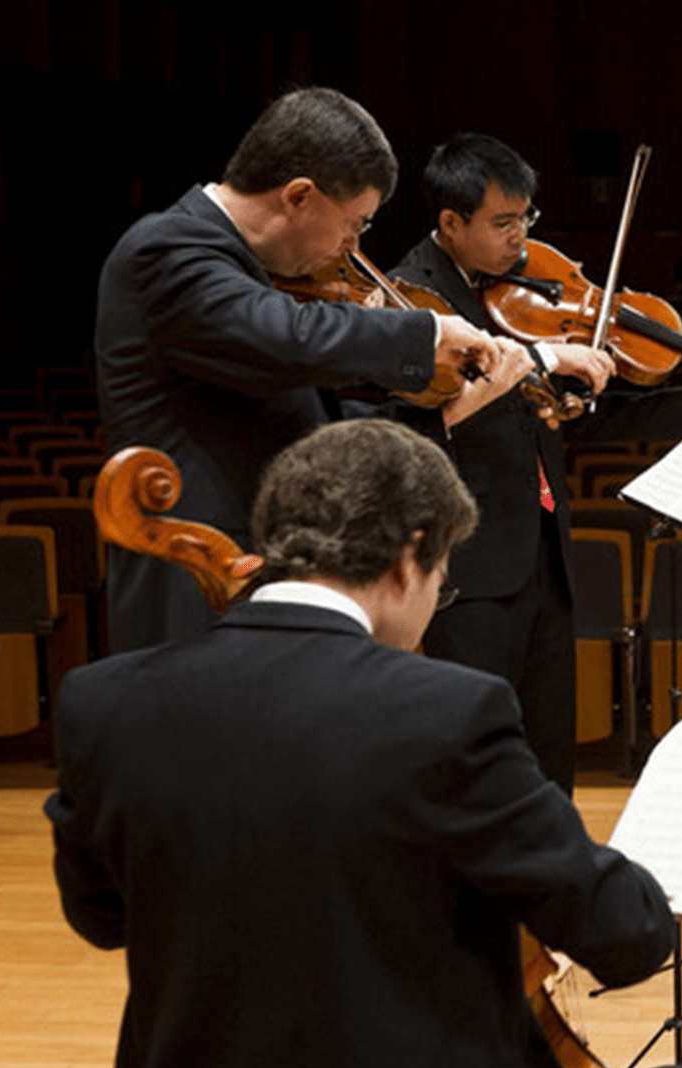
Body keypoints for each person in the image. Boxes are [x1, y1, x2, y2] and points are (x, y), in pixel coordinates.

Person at [45, 419, 682, 1068]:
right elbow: (628, 937)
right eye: (443, 573)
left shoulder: (102, 701)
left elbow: (100, 917)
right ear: (410, 558)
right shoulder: (449, 711)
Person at [92, 87, 609, 653]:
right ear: (298, 196)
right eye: (355, 223)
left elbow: (313, 428)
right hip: (194, 592)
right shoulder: (168, 250)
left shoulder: (252, 274)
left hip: (263, 583)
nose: (353, 245)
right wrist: (430, 331)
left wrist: (448, 413)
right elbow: (285, 337)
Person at [384, 133, 682, 793]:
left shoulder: (529, 294)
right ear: (450, 223)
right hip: (466, 570)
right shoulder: (410, 302)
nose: (520, 239)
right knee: (476, 755)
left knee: (550, 757)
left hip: (544, 562)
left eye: (527, 218)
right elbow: (408, 434)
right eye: (503, 223)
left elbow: (578, 419)